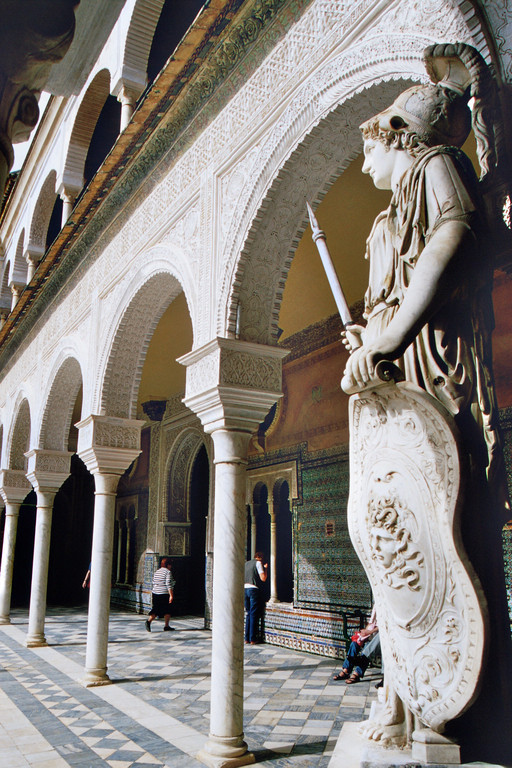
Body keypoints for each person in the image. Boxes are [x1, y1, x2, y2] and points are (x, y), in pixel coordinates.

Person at [341, 43, 512, 760]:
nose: (363, 166)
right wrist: (369, 331)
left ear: (401, 137)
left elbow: (451, 238)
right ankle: (400, 691)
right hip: (388, 373)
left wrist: (391, 335)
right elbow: (392, 288)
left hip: (428, 367)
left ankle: (450, 704)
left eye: (371, 148)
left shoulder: (434, 168)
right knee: (393, 534)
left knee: (435, 521)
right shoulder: (386, 214)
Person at [333, 607, 379, 684]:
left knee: (367, 648)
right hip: (369, 635)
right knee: (354, 644)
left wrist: (369, 632)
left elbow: (383, 626)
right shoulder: (376, 605)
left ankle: (357, 673)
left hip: (377, 638)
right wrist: (363, 634)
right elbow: (371, 623)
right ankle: (346, 670)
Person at [145, 557, 175, 632]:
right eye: (170, 565)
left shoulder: (157, 571)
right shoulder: (168, 572)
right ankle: (149, 621)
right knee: (163, 609)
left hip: (155, 593)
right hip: (163, 593)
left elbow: (154, 582)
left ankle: (166, 626)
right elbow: (168, 584)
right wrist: (171, 595)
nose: (171, 566)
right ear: (168, 565)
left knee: (162, 609)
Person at [244, 552, 267, 644]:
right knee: (253, 614)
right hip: (253, 589)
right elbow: (263, 578)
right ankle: (253, 639)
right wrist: (265, 569)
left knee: (248, 614)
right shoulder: (258, 563)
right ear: (260, 558)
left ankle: (246, 638)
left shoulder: (246, 564)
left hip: (245, 589)